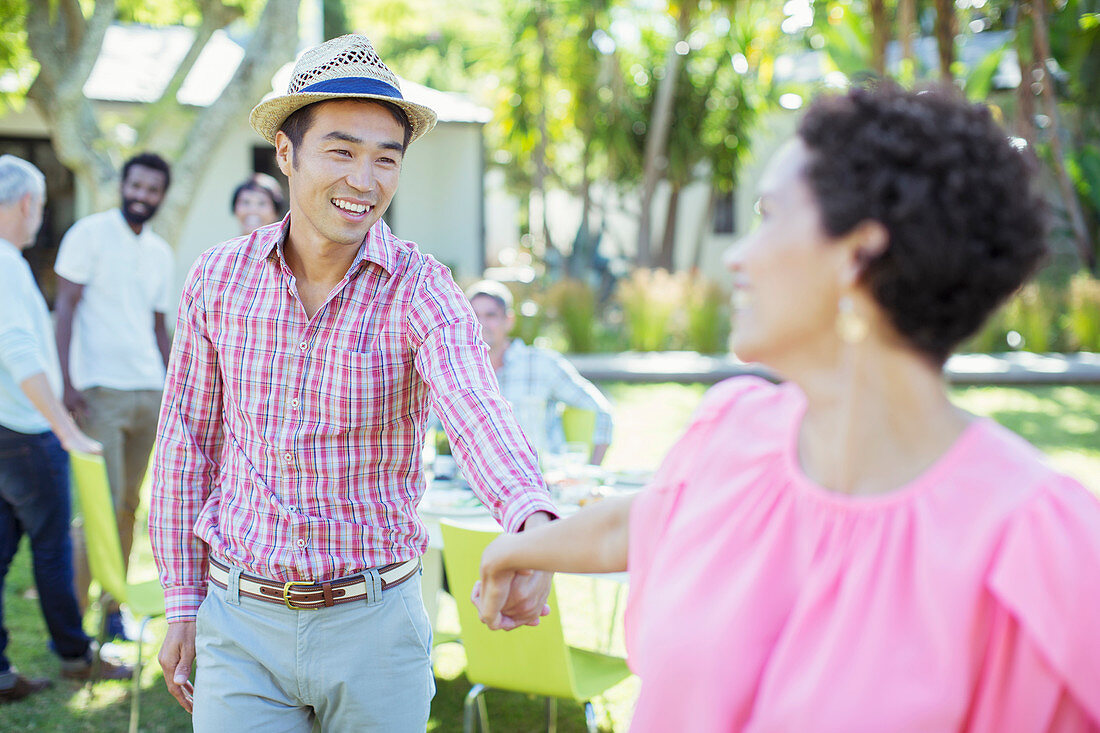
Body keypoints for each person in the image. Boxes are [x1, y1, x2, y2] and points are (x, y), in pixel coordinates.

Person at [474, 84, 1100, 731]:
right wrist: (519, 548)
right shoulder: (733, 430)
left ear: (857, 253)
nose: (740, 256)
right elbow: (642, 522)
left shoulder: (1035, 549)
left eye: (769, 214)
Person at [150, 34, 556, 730]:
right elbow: (187, 443)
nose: (364, 180)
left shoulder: (420, 289)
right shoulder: (218, 280)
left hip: (376, 627)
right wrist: (183, 600)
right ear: (286, 153)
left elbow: (475, 405)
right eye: (341, 151)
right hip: (240, 626)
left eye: (385, 159)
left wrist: (533, 520)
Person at [0, 155, 132, 704]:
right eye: (40, 206)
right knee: (52, 550)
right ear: (28, 204)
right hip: (28, 436)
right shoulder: (6, 263)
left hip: (9, 431)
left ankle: (2, 673)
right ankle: (77, 657)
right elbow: (19, 352)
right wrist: (65, 430)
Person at [53, 151, 174, 640]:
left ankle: (112, 610)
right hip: (99, 391)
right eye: (136, 186)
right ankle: (73, 623)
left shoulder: (161, 252)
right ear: (123, 185)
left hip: (150, 390)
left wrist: (178, 389)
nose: (142, 196)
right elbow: (65, 307)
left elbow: (160, 327)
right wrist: (66, 382)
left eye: (152, 190)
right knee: (99, 506)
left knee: (127, 506)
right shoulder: (89, 234)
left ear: (161, 196)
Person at [447, 280, 613, 464]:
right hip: (474, 483)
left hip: (538, 480)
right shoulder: (457, 373)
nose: (481, 324)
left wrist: (590, 471)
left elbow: (600, 411)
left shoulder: (542, 364)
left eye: (491, 315)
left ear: (509, 321)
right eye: (474, 316)